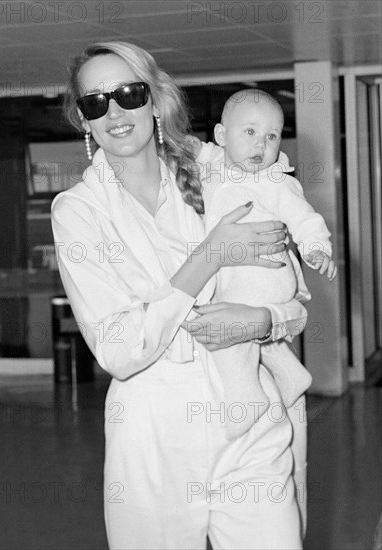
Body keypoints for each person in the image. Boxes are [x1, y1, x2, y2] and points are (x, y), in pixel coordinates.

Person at [51, 41, 307, 550]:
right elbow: (120, 350)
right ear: (84, 119)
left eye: (128, 92)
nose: (116, 111)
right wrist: (209, 256)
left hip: (251, 414)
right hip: (154, 434)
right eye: (96, 101)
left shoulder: (217, 173)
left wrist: (260, 319)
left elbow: (295, 302)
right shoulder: (78, 211)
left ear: (155, 98)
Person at [190, 89, 337, 442]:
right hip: (237, 274)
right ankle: (290, 372)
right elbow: (191, 148)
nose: (261, 145)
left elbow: (305, 218)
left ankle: (246, 397)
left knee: (226, 332)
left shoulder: (274, 181)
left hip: (264, 275)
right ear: (222, 136)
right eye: (250, 132)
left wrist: (316, 247)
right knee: (254, 335)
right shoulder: (214, 167)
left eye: (272, 136)